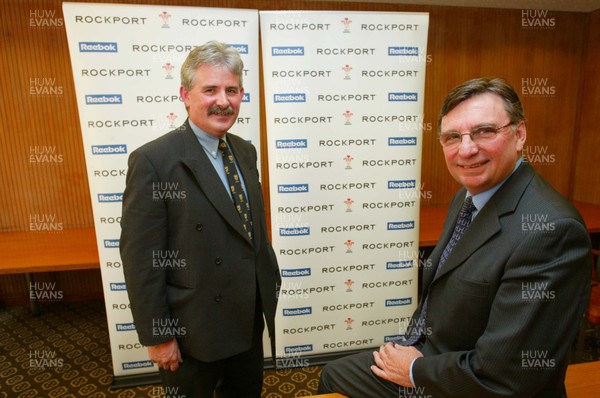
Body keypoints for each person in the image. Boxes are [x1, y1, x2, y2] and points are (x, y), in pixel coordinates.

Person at [317, 77, 591, 397]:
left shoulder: (551, 232)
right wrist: (409, 346)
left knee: (335, 378)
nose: (466, 149)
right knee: (335, 375)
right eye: (452, 137)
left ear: (519, 135)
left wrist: (414, 370)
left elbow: (510, 376)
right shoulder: (468, 196)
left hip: (474, 384)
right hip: (437, 355)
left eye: (484, 131)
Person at [120, 40, 280, 398]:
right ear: (185, 94)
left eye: (232, 90)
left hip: (248, 317)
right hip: (194, 331)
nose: (223, 100)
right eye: (210, 89)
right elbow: (140, 259)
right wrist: (159, 336)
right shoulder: (153, 161)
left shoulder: (244, 150)